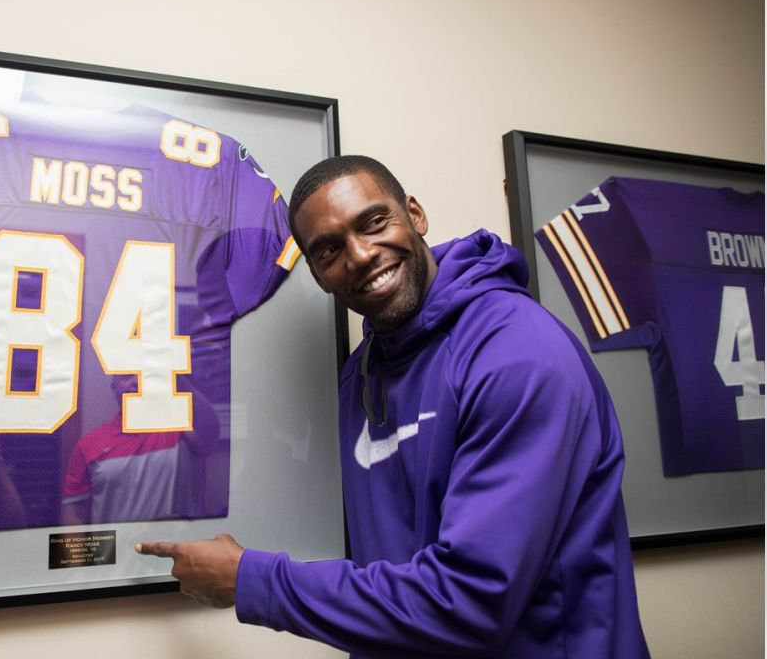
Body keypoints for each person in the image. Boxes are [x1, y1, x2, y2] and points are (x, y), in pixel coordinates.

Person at [136, 155, 649, 658]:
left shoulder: (517, 352)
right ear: (318, 274)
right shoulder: (362, 371)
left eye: (374, 222)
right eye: (330, 249)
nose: (359, 255)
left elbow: (470, 603)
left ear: (416, 215)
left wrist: (253, 580)